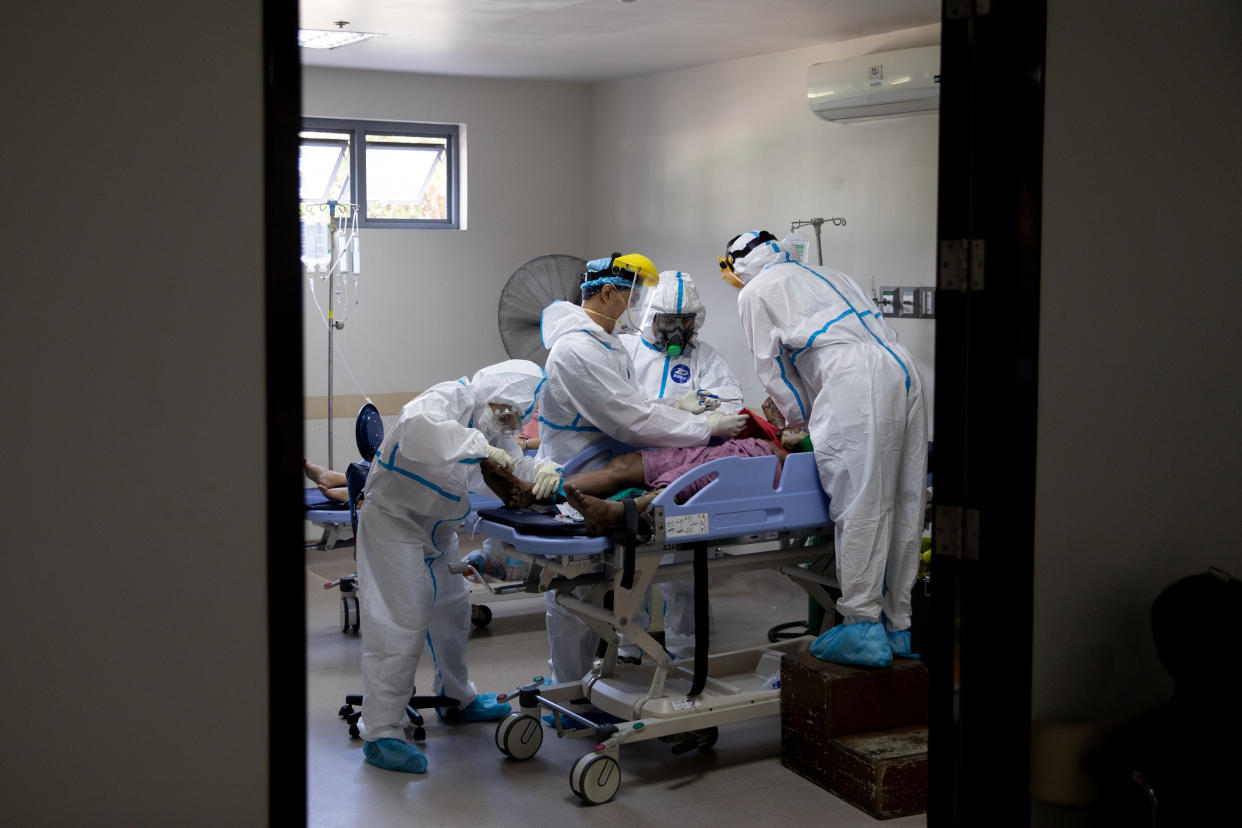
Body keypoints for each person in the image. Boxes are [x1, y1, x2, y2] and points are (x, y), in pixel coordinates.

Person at [534, 252, 749, 683]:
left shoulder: (607, 343)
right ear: (609, 294)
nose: (637, 308)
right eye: (634, 298)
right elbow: (629, 419)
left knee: (664, 572)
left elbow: (637, 407)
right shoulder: (579, 349)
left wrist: (680, 409)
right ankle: (570, 689)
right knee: (577, 589)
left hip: (634, 466)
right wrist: (701, 425)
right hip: (592, 470)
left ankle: (676, 666)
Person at [721, 230, 928, 669]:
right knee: (905, 500)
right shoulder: (829, 273)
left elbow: (773, 371)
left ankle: (860, 626)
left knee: (862, 502)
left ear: (739, 266)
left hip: (855, 379)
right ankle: (898, 625)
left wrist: (796, 425)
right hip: (903, 369)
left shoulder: (756, 291)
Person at [354, 359, 546, 774]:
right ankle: (382, 730)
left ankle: (458, 698)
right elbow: (414, 432)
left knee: (453, 609)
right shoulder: (451, 397)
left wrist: (547, 470)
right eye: (508, 413)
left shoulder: (490, 426)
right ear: (493, 396)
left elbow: (512, 462)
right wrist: (477, 445)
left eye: (517, 418)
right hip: (394, 519)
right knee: (400, 620)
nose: (509, 424)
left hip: (439, 528)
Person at [619, 270, 745, 657]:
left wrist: (704, 411)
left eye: (684, 322)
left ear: (695, 321)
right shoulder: (624, 352)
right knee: (629, 562)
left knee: (686, 566)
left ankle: (689, 645)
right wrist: (677, 406)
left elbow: (733, 407)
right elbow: (620, 409)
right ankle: (627, 641)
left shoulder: (705, 358)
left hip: (685, 472)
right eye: (667, 322)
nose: (676, 331)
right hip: (632, 466)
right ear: (650, 319)